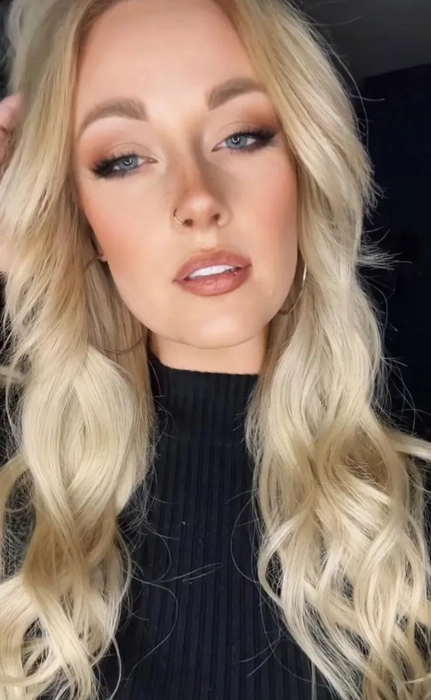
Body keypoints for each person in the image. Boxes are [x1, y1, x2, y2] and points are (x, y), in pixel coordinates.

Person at [0, 0, 431, 699]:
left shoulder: (404, 526)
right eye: (123, 159)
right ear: (75, 212)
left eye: (241, 136)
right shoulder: (20, 519)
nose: (197, 199)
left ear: (304, 161)